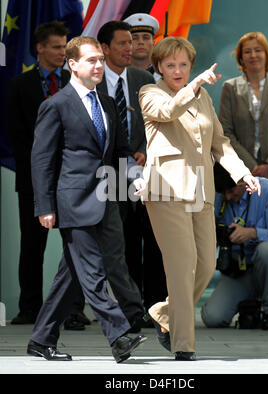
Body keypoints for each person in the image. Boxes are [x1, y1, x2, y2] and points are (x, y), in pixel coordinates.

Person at [138, 36, 260, 361]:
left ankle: (165, 313)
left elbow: (220, 142)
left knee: (205, 265)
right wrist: (192, 87)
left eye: (183, 65)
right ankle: (183, 346)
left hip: (201, 191)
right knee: (182, 267)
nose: (177, 70)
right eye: (170, 65)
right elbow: (167, 111)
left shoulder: (203, 96)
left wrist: (242, 173)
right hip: (165, 191)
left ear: (191, 65)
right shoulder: (149, 92)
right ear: (159, 67)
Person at [27, 36, 146, 362]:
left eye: (99, 60)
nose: (98, 65)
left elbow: (121, 152)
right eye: (91, 60)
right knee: (93, 271)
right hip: (72, 202)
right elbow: (41, 161)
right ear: (73, 64)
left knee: (72, 276)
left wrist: (136, 178)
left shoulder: (107, 104)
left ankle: (41, 339)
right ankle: (120, 336)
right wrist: (45, 206)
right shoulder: (55, 105)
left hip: (107, 199)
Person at [6, 20, 88, 330]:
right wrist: (44, 165)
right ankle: (30, 308)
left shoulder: (76, 83)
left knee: (76, 245)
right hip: (33, 179)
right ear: (39, 48)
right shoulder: (19, 85)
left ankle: (74, 309)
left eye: (65, 47)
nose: (61, 53)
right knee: (32, 245)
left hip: (72, 178)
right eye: (56, 47)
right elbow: (16, 135)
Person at [219, 31, 268, 314]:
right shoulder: (231, 87)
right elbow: (225, 132)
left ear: (267, 55)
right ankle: (252, 298)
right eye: (247, 51)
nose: (253, 55)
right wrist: (248, 167)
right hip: (244, 172)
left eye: (258, 51)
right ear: (240, 58)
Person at [97, 21, 168, 315]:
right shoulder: (95, 80)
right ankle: (131, 308)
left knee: (154, 240)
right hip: (109, 174)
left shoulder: (143, 78)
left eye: (132, 42)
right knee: (121, 242)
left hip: (147, 170)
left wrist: (143, 151)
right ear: (105, 48)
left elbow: (158, 121)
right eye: (123, 43)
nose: (130, 49)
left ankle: (157, 307)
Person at [201, 163, 268, 329]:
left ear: (242, 182)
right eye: (223, 193)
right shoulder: (219, 196)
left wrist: (253, 233)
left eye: (231, 191)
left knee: (267, 251)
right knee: (213, 318)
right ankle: (247, 305)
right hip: (238, 272)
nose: (227, 197)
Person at [124, 13, 161, 81]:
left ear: (153, 43)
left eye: (146, 38)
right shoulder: (117, 74)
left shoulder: (164, 75)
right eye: (134, 38)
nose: (140, 42)